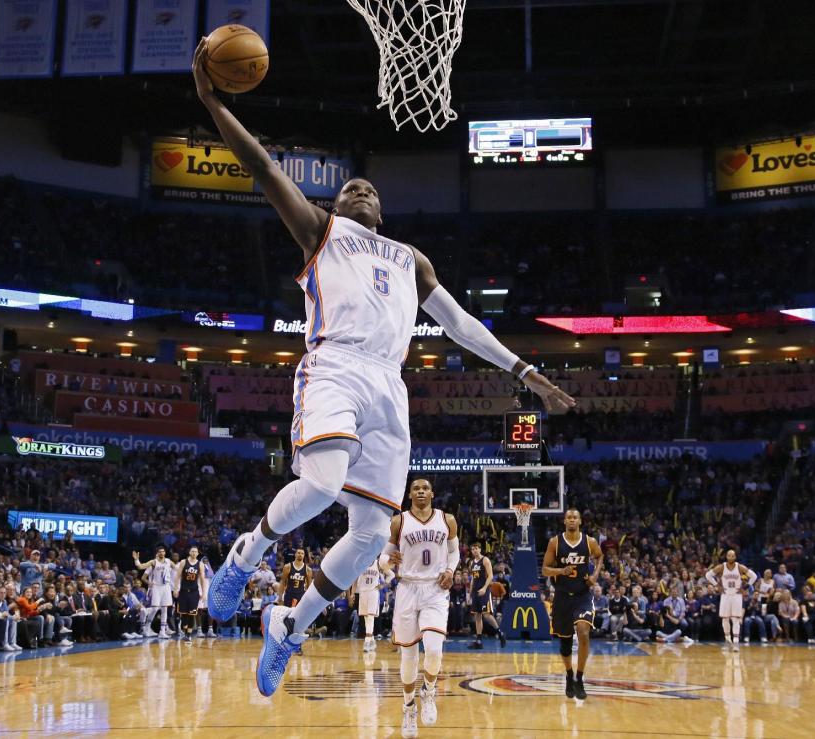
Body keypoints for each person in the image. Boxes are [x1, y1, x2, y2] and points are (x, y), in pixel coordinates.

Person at [191, 37, 573, 699]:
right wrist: (211, 103)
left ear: (382, 212)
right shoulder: (319, 229)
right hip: (336, 366)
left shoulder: (410, 259)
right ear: (337, 207)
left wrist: (522, 369)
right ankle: (245, 554)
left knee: (370, 533)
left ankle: (289, 625)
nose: (360, 185)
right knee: (321, 481)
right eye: (349, 185)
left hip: (389, 387)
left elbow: (457, 323)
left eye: (368, 186)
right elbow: (261, 166)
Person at [378, 478, 458, 738]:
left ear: (432, 493)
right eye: (416, 489)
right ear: (409, 494)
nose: (421, 491)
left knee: (434, 649)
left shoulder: (447, 520)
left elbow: (454, 552)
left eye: (425, 488)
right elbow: (383, 561)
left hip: (435, 589)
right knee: (409, 656)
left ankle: (429, 690)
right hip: (408, 588)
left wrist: (450, 570)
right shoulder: (398, 521)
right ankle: (409, 707)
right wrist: (388, 560)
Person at [542, 508, 604, 700]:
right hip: (562, 596)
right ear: (564, 521)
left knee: (584, 631)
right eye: (568, 517)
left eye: (575, 517)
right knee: (565, 644)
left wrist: (594, 576)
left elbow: (600, 556)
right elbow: (545, 570)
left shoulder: (590, 542)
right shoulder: (555, 542)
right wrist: (561, 571)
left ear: (580, 521)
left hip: (582, 595)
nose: (571, 520)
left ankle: (580, 677)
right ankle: (569, 675)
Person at [705, 549, 757, 652]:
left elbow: (754, 576)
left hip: (737, 595)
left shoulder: (740, 567)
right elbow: (708, 575)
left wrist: (745, 587)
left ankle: (736, 643)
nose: (730, 557)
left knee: (736, 619)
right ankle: (728, 640)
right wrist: (717, 585)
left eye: (732, 556)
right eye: (729, 555)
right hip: (725, 595)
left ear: (735, 557)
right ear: (726, 557)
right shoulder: (721, 567)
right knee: (725, 619)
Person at [467, 542, 506, 649]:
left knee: (486, 615)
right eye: (472, 549)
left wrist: (484, 588)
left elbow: (491, 576)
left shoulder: (485, 560)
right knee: (477, 616)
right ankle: (479, 641)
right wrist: (470, 592)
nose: (474, 550)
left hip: (484, 591)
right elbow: (473, 579)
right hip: (475, 591)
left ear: (480, 549)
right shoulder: (471, 563)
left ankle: (500, 633)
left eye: (476, 548)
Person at [134, 547, 175, 638]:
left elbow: (177, 568)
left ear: (165, 553)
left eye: (163, 551)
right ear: (157, 553)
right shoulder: (153, 562)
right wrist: (136, 560)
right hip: (156, 587)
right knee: (155, 608)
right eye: (159, 552)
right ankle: (147, 626)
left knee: (164, 609)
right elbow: (141, 566)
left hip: (166, 587)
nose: (161, 553)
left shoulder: (168, 561)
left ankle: (162, 631)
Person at [277, 549, 311, 656]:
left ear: (304, 555)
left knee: (298, 621)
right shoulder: (288, 567)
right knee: (286, 620)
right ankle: (283, 644)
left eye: (302, 553)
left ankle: (297, 646)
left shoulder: (308, 569)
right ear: (295, 554)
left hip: (300, 597)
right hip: (289, 596)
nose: (300, 554)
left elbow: (309, 587)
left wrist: (308, 601)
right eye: (298, 553)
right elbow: (282, 582)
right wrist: (280, 597)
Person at [352, 560, 389, 654]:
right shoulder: (361, 562)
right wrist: (352, 593)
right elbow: (355, 579)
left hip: (373, 592)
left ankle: (367, 641)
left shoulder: (378, 563)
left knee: (370, 617)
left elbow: (391, 574)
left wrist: (383, 585)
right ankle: (372, 639)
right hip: (362, 592)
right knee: (365, 617)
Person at [174, 547, 206, 645]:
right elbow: (178, 576)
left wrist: (204, 593)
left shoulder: (200, 564)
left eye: (196, 551)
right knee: (184, 614)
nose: (194, 553)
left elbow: (202, 579)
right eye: (192, 551)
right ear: (189, 552)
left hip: (194, 592)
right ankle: (184, 630)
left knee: (192, 614)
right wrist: (176, 588)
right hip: (183, 591)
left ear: (197, 553)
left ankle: (189, 634)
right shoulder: (183, 562)